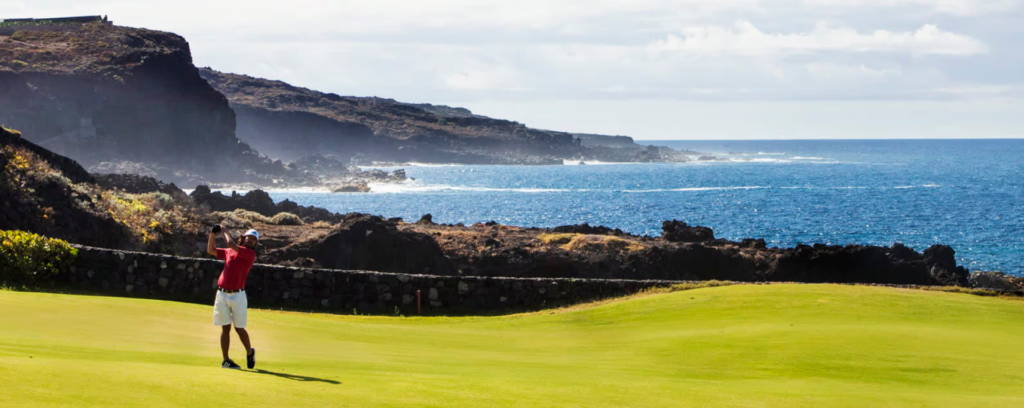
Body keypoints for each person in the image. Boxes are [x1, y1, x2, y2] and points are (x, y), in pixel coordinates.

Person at [207, 226, 259, 370]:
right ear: (243, 238)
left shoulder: (249, 254)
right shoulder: (230, 252)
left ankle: (249, 352)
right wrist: (212, 234)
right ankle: (226, 360)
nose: (251, 241)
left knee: (239, 328)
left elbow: (230, 244)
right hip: (222, 294)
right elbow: (211, 251)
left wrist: (224, 231)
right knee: (225, 328)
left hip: (238, 295)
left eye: (254, 240)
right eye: (250, 237)